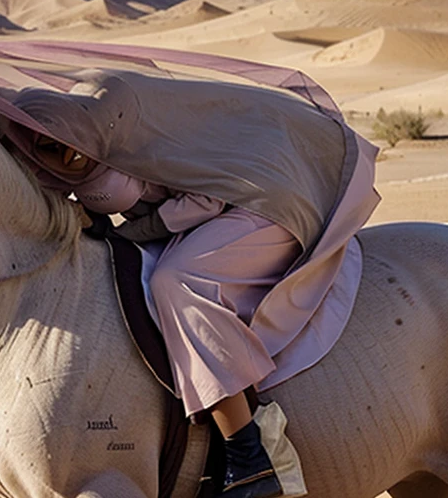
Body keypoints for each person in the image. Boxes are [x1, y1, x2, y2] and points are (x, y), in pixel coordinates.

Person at [34, 135, 297, 498]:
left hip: (244, 207)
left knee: (173, 282)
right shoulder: (37, 129)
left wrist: (130, 232)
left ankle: (248, 452)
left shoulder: (140, 125)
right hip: (177, 225)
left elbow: (207, 198)